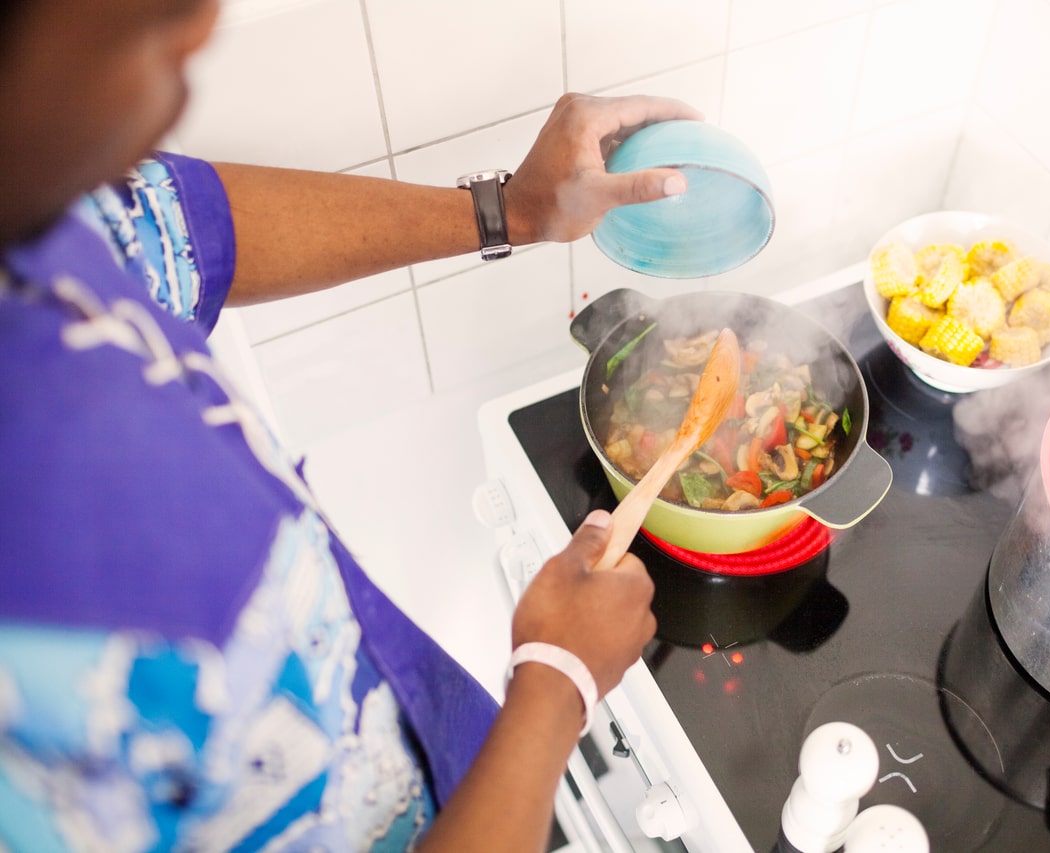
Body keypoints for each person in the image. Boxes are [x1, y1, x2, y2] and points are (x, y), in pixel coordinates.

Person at [0, 0, 703, 849]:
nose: (199, 31)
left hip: (467, 777)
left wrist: (513, 209)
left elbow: (173, 224)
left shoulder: (35, 214)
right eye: (150, 17)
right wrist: (555, 690)